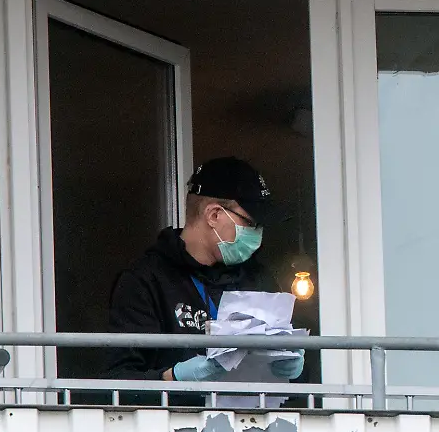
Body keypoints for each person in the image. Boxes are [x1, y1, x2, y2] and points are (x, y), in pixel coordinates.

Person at [104, 157, 304, 404]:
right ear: (214, 215)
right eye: (251, 223)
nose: (258, 234)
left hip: (253, 423)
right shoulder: (145, 281)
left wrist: (294, 369)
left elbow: (289, 373)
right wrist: (172, 378)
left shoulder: (258, 279)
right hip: (174, 425)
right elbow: (115, 385)